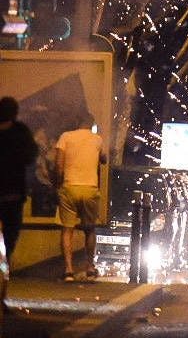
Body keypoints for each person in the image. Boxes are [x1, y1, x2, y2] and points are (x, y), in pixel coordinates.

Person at [54, 112, 106, 281]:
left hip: (69, 187)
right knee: (90, 229)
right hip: (90, 188)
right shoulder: (97, 139)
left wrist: (58, 185)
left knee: (67, 230)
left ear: (77, 122)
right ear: (91, 124)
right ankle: (90, 267)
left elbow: (59, 166)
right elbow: (104, 159)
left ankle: (68, 270)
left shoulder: (65, 137)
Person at [0, 96, 39, 265]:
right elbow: (30, 156)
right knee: (10, 234)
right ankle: (3, 264)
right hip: (13, 193)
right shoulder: (21, 131)